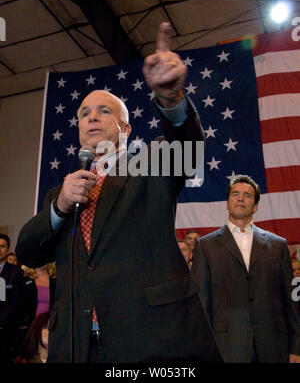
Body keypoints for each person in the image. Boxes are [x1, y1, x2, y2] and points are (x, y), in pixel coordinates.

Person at [16, 22, 221, 363]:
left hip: (149, 340)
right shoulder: (60, 194)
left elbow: (188, 149)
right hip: (78, 346)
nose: (91, 117)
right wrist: (60, 207)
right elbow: (27, 252)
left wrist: (170, 98)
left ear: (125, 129)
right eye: (83, 114)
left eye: (103, 111)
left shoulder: (151, 163)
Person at [192, 175, 300, 363]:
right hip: (226, 346)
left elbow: (291, 301)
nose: (240, 198)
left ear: (256, 206)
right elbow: (201, 302)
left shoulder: (278, 245)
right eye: (235, 194)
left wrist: (296, 348)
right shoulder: (205, 246)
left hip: (274, 345)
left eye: (247, 195)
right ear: (227, 203)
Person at [0, 234, 23, 362]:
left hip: (6, 329)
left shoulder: (16, 272)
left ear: (8, 249)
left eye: (2, 246)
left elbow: (15, 304)